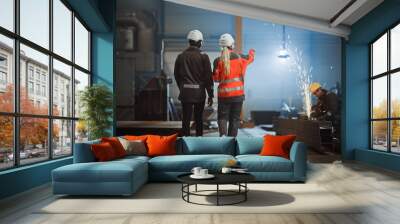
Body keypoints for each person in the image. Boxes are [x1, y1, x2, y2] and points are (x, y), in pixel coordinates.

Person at [213, 33, 255, 137]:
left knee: (222, 118)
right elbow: (250, 58)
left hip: (224, 96)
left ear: (221, 46)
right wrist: (251, 52)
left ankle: (223, 141)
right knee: (235, 120)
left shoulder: (217, 61)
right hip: (237, 96)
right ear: (232, 45)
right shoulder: (240, 58)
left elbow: (215, 78)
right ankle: (232, 142)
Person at [174, 30, 214, 136]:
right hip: (199, 94)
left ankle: (185, 142)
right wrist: (210, 94)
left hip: (185, 93)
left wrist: (182, 87)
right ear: (200, 42)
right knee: (198, 118)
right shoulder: (203, 56)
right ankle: (199, 141)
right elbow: (208, 77)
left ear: (189, 41)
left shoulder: (181, 56)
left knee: (186, 119)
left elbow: (176, 75)